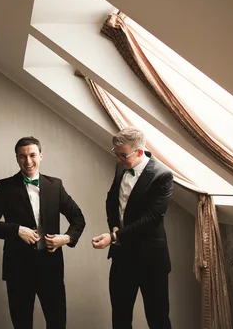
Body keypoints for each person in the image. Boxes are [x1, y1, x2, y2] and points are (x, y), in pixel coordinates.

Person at [0, 136, 86, 329]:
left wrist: (66, 238)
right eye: (22, 156)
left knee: (57, 324)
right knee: (22, 324)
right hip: (18, 269)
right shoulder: (5, 187)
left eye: (32, 155)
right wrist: (16, 230)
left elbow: (78, 218)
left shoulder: (55, 185)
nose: (28, 161)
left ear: (41, 155)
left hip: (51, 267)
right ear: (16, 158)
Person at [92, 127, 174, 329]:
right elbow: (112, 201)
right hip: (122, 258)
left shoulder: (162, 175)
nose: (118, 159)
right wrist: (113, 228)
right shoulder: (120, 167)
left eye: (122, 155)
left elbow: (151, 219)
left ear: (139, 152)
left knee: (158, 319)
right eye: (116, 153)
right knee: (120, 318)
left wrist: (113, 237)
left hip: (151, 261)